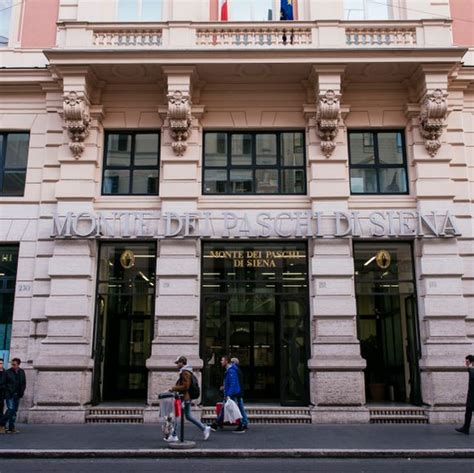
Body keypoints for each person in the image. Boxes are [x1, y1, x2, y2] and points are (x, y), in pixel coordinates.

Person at [170, 355, 211, 441]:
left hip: (184, 398)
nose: (177, 365)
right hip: (186, 398)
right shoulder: (186, 371)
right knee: (188, 416)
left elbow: (186, 386)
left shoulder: (185, 372)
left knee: (178, 416)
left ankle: (174, 435)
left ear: (182, 363)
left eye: (178, 363)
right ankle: (204, 428)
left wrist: (174, 388)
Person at [211, 355, 248, 433]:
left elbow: (232, 383)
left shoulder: (231, 371)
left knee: (234, 409)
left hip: (232, 394)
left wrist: (228, 394)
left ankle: (242, 425)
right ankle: (216, 424)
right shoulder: (231, 370)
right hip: (233, 393)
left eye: (222, 360)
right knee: (226, 409)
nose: (221, 361)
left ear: (226, 361)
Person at [0, 358, 26, 434]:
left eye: (14, 364)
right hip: (9, 394)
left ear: (18, 364)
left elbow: (24, 383)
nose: (13, 365)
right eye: (12, 364)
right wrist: (8, 390)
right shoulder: (7, 372)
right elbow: (2, 383)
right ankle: (1, 424)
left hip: (17, 395)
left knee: (14, 412)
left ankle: (11, 427)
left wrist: (21, 392)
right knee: (11, 409)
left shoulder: (21, 372)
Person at [455, 354, 474, 435]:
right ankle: (465, 428)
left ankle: (466, 428)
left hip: (473, 396)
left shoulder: (472, 370)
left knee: (468, 412)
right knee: (468, 412)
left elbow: (472, 375)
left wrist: (468, 366)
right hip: (471, 395)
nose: (466, 363)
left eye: (467, 361)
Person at [230, 357, 249, 432]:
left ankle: (242, 423)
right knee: (241, 408)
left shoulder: (234, 370)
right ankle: (244, 422)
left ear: (233, 363)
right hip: (239, 392)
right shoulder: (239, 370)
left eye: (231, 362)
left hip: (236, 393)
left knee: (238, 409)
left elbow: (234, 382)